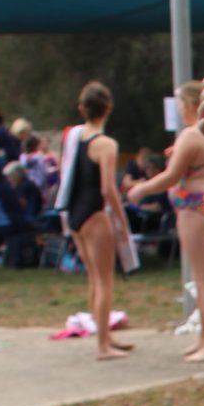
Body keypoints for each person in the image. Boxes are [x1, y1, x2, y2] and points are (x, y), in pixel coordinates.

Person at [129, 82, 204, 361]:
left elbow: (171, 177)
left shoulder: (192, 135)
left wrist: (142, 189)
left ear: (188, 105)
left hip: (194, 207)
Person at [56, 82, 133, 361]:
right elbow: (107, 189)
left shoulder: (73, 140)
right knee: (105, 281)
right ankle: (103, 345)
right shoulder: (106, 145)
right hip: (95, 214)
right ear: (108, 108)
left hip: (75, 214)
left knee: (94, 278)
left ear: (81, 109)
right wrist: (121, 218)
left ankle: (104, 335)